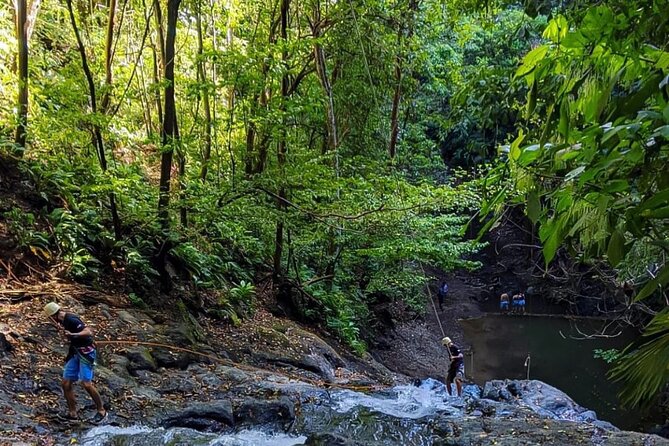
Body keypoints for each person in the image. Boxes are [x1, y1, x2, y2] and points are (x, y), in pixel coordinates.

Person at [43, 302, 107, 423]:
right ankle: (73, 414)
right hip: (75, 352)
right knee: (66, 383)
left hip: (86, 353)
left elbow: (88, 332)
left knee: (86, 384)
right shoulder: (61, 322)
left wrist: (74, 334)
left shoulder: (71, 319)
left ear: (53, 315)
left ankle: (101, 411)